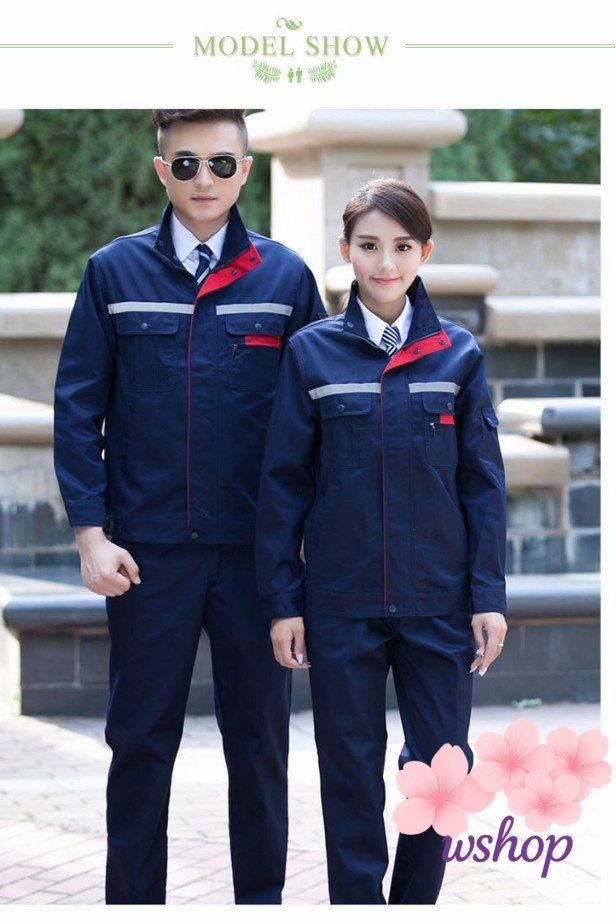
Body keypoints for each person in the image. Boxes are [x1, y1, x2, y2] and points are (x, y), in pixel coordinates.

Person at [53, 109, 326, 905]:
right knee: (140, 745)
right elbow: (77, 409)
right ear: (160, 169)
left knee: (260, 747)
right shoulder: (113, 273)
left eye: (219, 163)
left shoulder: (285, 279)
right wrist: (91, 536)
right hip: (147, 557)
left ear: (245, 171)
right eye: (184, 164)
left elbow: (321, 422)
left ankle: (260, 908)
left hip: (255, 561)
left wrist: (308, 547)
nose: (203, 180)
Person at [255, 178, 508, 904]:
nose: (385, 262)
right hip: (341, 603)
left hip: (438, 602)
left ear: (425, 251)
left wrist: (488, 596)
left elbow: (483, 486)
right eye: (369, 246)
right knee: (349, 771)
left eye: (401, 246)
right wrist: (284, 602)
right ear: (346, 251)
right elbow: (283, 488)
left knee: (442, 771)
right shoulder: (311, 355)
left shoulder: (458, 355)